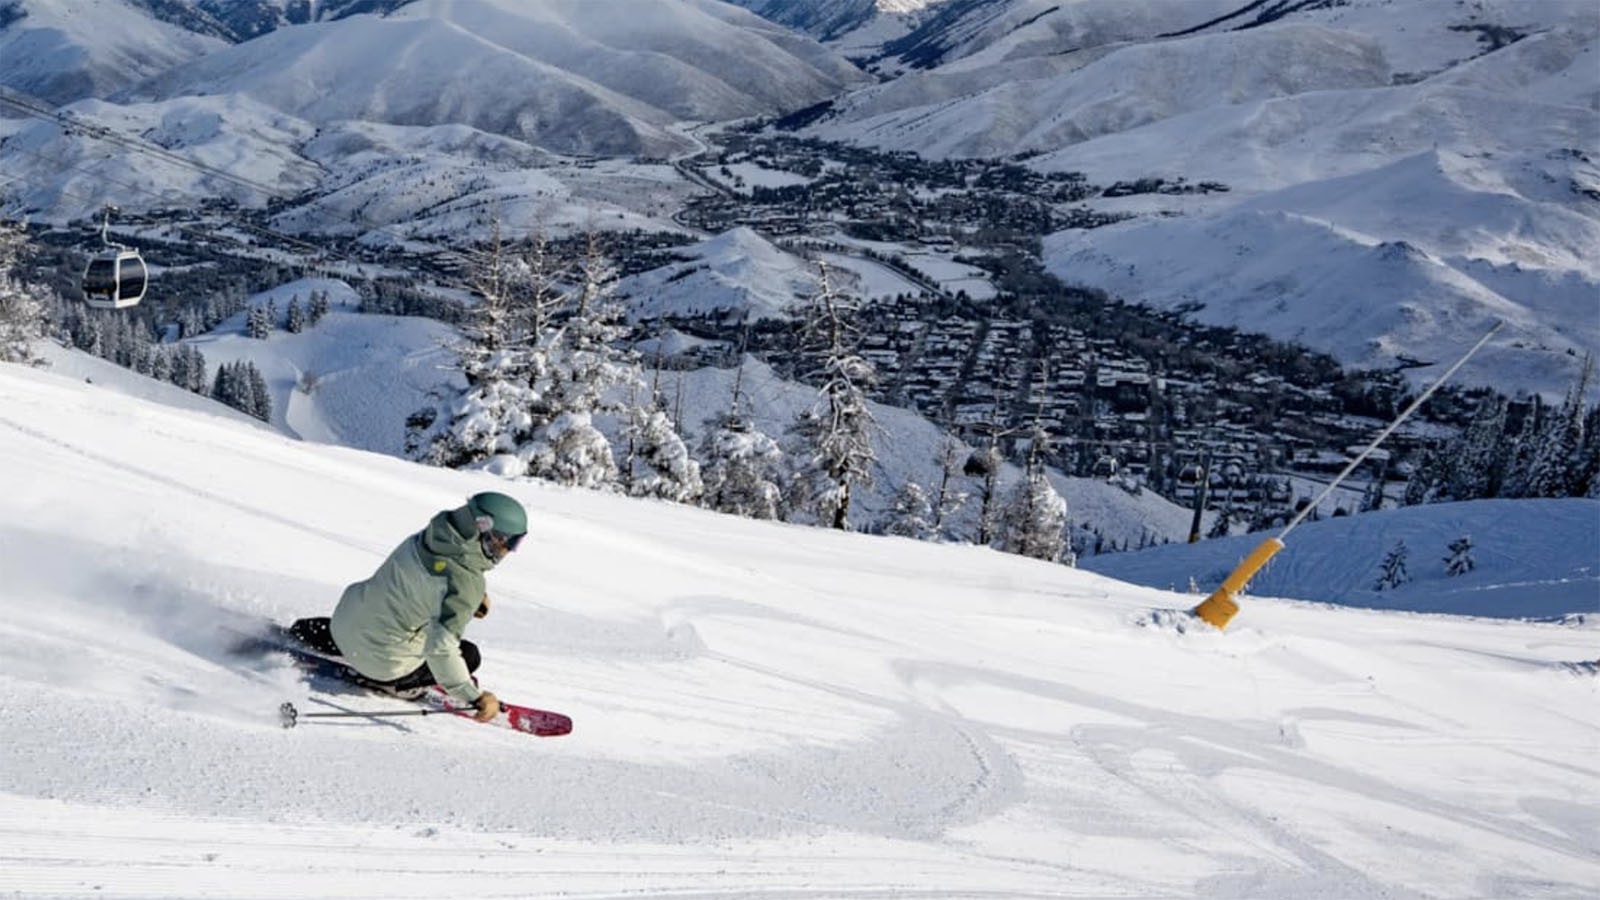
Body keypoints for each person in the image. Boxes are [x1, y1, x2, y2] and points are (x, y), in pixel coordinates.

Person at [289, 491, 528, 722]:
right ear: (491, 536)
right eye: (512, 542)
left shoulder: (432, 535)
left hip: (343, 622)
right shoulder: (466, 586)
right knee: (469, 655)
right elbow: (440, 651)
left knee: (378, 615)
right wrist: (473, 697)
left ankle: (317, 638)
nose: (510, 551)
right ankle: (388, 683)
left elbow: (435, 574)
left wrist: (464, 598)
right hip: (384, 663)